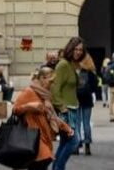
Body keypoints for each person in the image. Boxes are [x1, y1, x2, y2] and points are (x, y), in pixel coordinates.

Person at [13, 65, 74, 170]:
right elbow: (15, 110)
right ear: (42, 78)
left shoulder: (45, 95)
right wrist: (29, 106)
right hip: (33, 137)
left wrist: (66, 128)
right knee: (42, 161)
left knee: (41, 163)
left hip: (44, 136)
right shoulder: (29, 92)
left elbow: (52, 116)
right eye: (50, 81)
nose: (51, 85)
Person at [50, 39, 86, 170]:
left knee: (65, 142)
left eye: (80, 50)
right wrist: (62, 107)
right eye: (76, 49)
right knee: (74, 141)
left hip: (73, 107)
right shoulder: (63, 64)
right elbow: (55, 88)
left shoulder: (71, 64)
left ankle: (57, 168)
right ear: (70, 49)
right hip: (66, 110)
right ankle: (58, 168)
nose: (78, 52)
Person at [77, 50, 101, 155]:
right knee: (86, 122)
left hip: (76, 98)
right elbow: (95, 87)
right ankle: (87, 145)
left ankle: (77, 145)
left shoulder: (75, 71)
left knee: (77, 123)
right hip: (87, 98)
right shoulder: (91, 72)